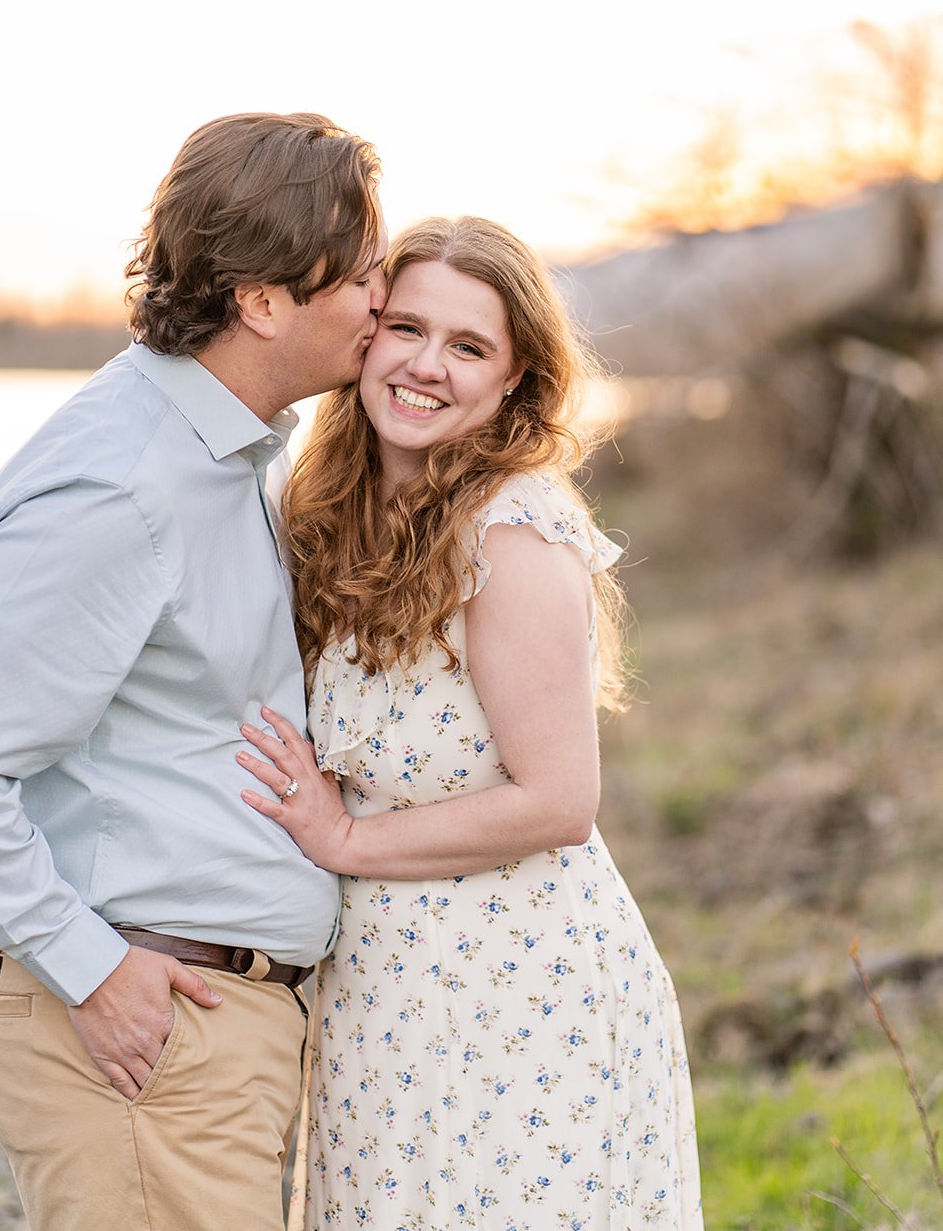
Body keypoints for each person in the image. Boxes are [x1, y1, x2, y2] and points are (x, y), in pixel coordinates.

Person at [0, 112, 388, 1231]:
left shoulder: (225, 456)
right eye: (360, 274)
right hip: (149, 1038)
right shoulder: (123, 482)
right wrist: (92, 969)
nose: (381, 300)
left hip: (206, 1036)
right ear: (263, 300)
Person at [238, 215, 704, 1229]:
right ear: (366, 336)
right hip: (384, 996)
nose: (425, 366)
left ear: (513, 377)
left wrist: (344, 838)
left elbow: (558, 801)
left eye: (467, 346)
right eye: (407, 328)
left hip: (522, 996)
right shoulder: (330, 508)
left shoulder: (510, 530)